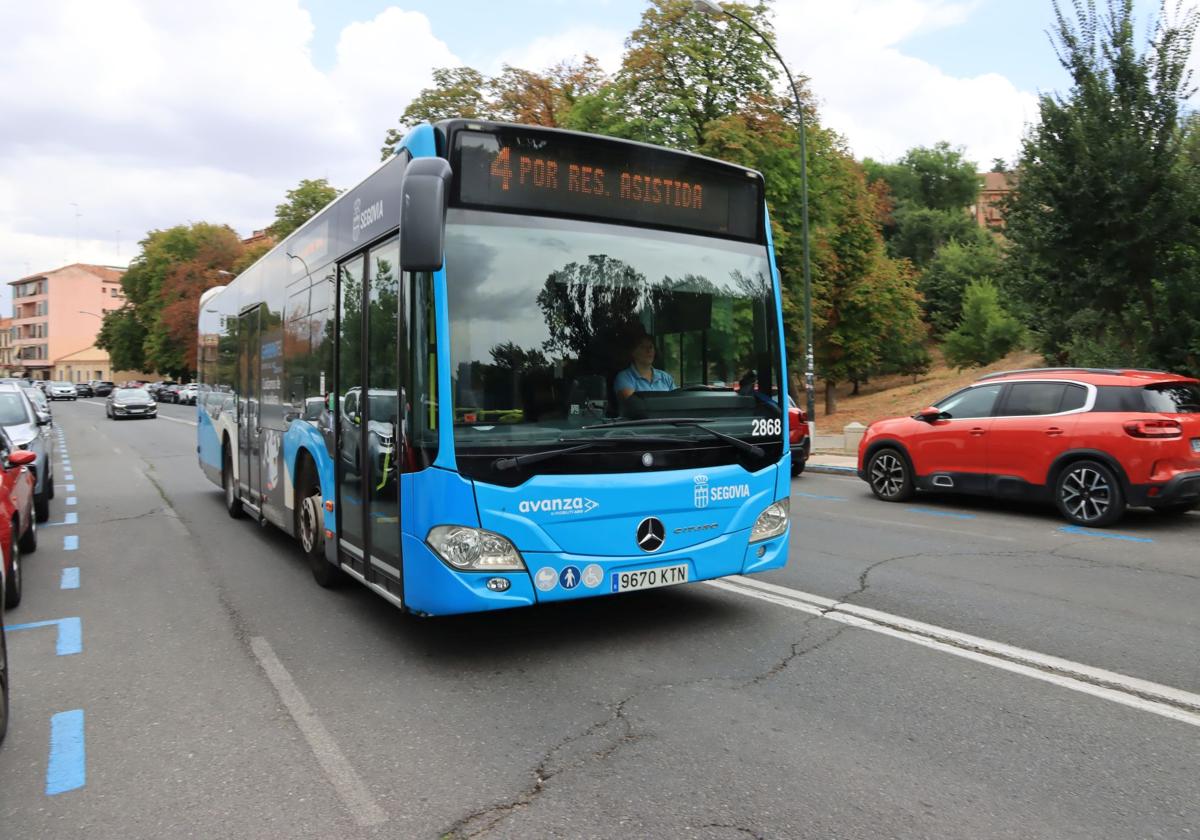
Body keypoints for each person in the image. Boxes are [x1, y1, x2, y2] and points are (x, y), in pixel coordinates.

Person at [614, 334, 676, 399]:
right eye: (642, 347)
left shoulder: (666, 377)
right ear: (633, 352)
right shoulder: (624, 377)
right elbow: (634, 403)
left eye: (651, 347)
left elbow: (676, 401)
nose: (648, 351)